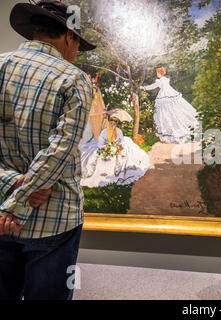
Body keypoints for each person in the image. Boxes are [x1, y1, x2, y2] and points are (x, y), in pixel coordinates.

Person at [0, 1, 96, 300]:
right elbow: (60, 152)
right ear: (70, 37)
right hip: (53, 220)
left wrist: (9, 184)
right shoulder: (73, 78)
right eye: (78, 44)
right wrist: (18, 205)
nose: (76, 52)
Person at [79, 115, 151, 188]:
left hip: (115, 145)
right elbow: (101, 142)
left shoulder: (118, 131)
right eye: (111, 123)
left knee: (122, 154)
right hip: (107, 146)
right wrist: (105, 147)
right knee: (95, 154)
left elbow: (121, 141)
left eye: (114, 124)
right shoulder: (104, 132)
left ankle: (118, 170)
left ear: (116, 125)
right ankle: (90, 172)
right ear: (109, 123)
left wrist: (118, 146)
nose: (112, 125)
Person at [141, 67, 199, 144]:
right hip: (170, 93)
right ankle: (175, 132)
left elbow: (152, 87)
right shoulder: (166, 79)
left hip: (165, 95)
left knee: (166, 113)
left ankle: (173, 132)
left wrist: (143, 88)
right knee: (171, 112)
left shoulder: (159, 81)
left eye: (157, 73)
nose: (157, 74)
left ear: (160, 73)